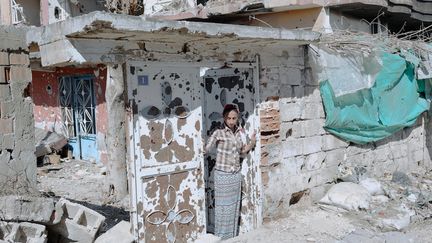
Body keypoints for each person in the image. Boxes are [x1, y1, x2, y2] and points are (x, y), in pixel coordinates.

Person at [205, 104, 256, 240]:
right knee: (223, 208)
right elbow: (207, 148)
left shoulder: (240, 132)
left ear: (237, 118)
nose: (232, 121)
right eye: (229, 118)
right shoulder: (218, 133)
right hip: (222, 175)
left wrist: (252, 142)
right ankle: (221, 237)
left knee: (233, 208)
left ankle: (232, 237)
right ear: (224, 118)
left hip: (235, 175)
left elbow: (242, 151)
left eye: (234, 118)